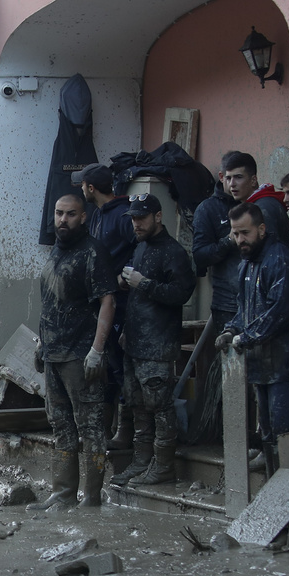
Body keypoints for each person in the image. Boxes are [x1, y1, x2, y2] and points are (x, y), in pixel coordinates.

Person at [28, 191, 116, 512]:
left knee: (90, 429)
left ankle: (91, 499)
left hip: (80, 356)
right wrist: (41, 341)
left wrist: (97, 349)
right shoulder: (56, 251)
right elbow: (51, 301)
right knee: (61, 426)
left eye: (70, 214)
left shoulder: (93, 252)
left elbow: (108, 300)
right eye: (58, 213)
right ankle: (63, 494)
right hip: (53, 353)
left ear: (84, 217)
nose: (62, 220)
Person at [110, 193, 196, 486]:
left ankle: (163, 467)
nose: (136, 224)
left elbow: (182, 293)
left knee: (160, 406)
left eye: (141, 218)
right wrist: (127, 287)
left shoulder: (174, 252)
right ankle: (141, 462)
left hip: (158, 343)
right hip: (135, 340)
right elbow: (138, 295)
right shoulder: (140, 247)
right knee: (137, 404)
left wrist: (144, 284)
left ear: (158, 217)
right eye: (133, 218)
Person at [214, 202, 289, 475]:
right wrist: (230, 330)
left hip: (281, 365)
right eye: (236, 234)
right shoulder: (246, 266)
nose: (240, 240)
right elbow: (244, 310)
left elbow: (280, 312)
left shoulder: (279, 259)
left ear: (261, 229)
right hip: (259, 366)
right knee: (267, 435)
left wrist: (246, 337)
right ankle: (275, 494)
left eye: (245, 233)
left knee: (284, 432)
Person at [74, 162, 136, 449]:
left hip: (123, 305)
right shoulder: (98, 215)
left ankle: (128, 431)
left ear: (90, 187)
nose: (80, 189)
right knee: (109, 368)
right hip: (101, 304)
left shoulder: (123, 215)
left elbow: (141, 247)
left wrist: (125, 277)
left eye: (82, 184)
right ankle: (109, 427)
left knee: (123, 368)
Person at [192, 154, 240, 332]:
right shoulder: (208, 209)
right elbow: (200, 256)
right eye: (229, 177)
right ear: (222, 177)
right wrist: (227, 241)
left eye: (239, 177)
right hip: (227, 304)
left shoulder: (257, 204)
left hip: (259, 302)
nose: (234, 183)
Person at [221, 151, 289, 248]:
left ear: (253, 180)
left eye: (238, 177)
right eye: (228, 178)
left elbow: (269, 253)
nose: (232, 184)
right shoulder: (258, 204)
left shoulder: (263, 207)